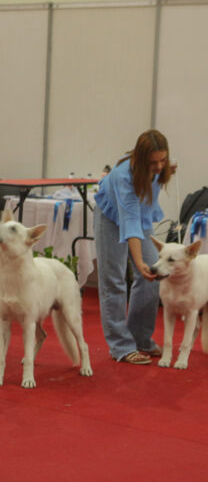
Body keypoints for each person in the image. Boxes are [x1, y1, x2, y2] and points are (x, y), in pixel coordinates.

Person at [94, 129, 174, 364]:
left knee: (153, 272)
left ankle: (140, 337)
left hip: (140, 214)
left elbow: (140, 216)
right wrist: (138, 263)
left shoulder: (161, 169)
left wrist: (144, 264)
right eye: (153, 162)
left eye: (163, 160)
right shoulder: (122, 176)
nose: (159, 166)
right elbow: (129, 222)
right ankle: (120, 345)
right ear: (140, 159)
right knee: (114, 279)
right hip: (110, 216)